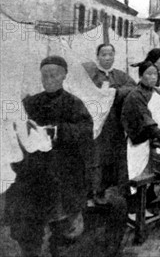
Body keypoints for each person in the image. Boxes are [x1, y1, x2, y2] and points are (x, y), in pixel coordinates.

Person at [6, 56, 96, 257]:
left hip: (62, 175)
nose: (49, 79)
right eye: (45, 75)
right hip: (32, 176)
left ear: (64, 76)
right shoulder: (29, 103)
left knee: (63, 227)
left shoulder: (74, 104)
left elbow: (85, 131)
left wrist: (56, 131)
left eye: (54, 74)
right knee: (28, 228)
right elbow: (15, 128)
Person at [121, 61, 160, 216]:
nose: (153, 77)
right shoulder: (135, 95)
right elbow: (143, 116)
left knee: (154, 172)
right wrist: (158, 134)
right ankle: (134, 211)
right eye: (149, 74)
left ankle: (148, 202)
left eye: (155, 74)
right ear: (140, 76)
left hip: (159, 140)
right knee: (139, 173)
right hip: (141, 140)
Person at [84, 44, 136, 203]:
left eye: (110, 55)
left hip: (114, 124)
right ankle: (92, 192)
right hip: (95, 124)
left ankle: (109, 190)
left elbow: (133, 89)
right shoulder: (90, 76)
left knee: (113, 157)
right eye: (103, 55)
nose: (107, 58)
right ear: (97, 56)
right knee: (95, 157)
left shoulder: (120, 76)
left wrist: (116, 92)